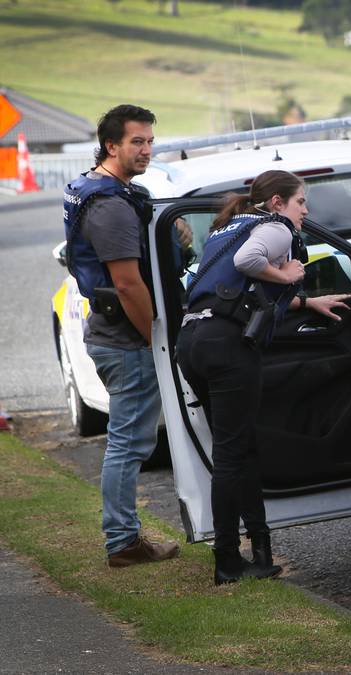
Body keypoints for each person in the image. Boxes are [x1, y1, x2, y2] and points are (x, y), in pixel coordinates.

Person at [174, 170, 349, 585]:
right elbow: (247, 263)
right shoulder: (278, 230)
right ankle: (227, 563)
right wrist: (289, 276)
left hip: (193, 341)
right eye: (300, 202)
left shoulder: (230, 227)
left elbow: (239, 292)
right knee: (233, 455)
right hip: (227, 347)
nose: (305, 210)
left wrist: (306, 301)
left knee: (239, 446)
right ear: (276, 202)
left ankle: (259, 550)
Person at [63, 104, 181, 568]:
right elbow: (128, 283)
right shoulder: (110, 205)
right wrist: (155, 332)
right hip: (124, 339)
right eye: (137, 142)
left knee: (127, 439)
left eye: (150, 140)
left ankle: (123, 537)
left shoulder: (104, 190)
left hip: (112, 333)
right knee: (129, 442)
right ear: (111, 146)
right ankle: (123, 542)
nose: (147, 149)